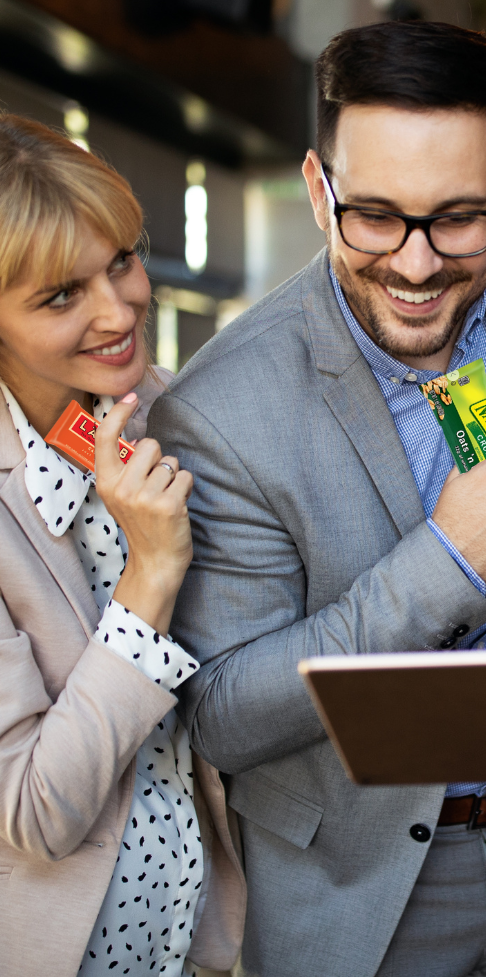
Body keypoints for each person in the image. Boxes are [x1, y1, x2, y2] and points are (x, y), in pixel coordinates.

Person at [148, 20, 486, 977]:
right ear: (318, 190)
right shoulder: (222, 409)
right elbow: (223, 711)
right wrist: (443, 569)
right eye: (375, 217)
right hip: (354, 898)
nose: (415, 266)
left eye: (458, 219)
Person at [0, 115, 244, 976]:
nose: (119, 311)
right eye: (61, 295)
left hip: (202, 939)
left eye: (123, 261)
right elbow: (36, 814)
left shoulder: (175, 416)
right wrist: (153, 574)